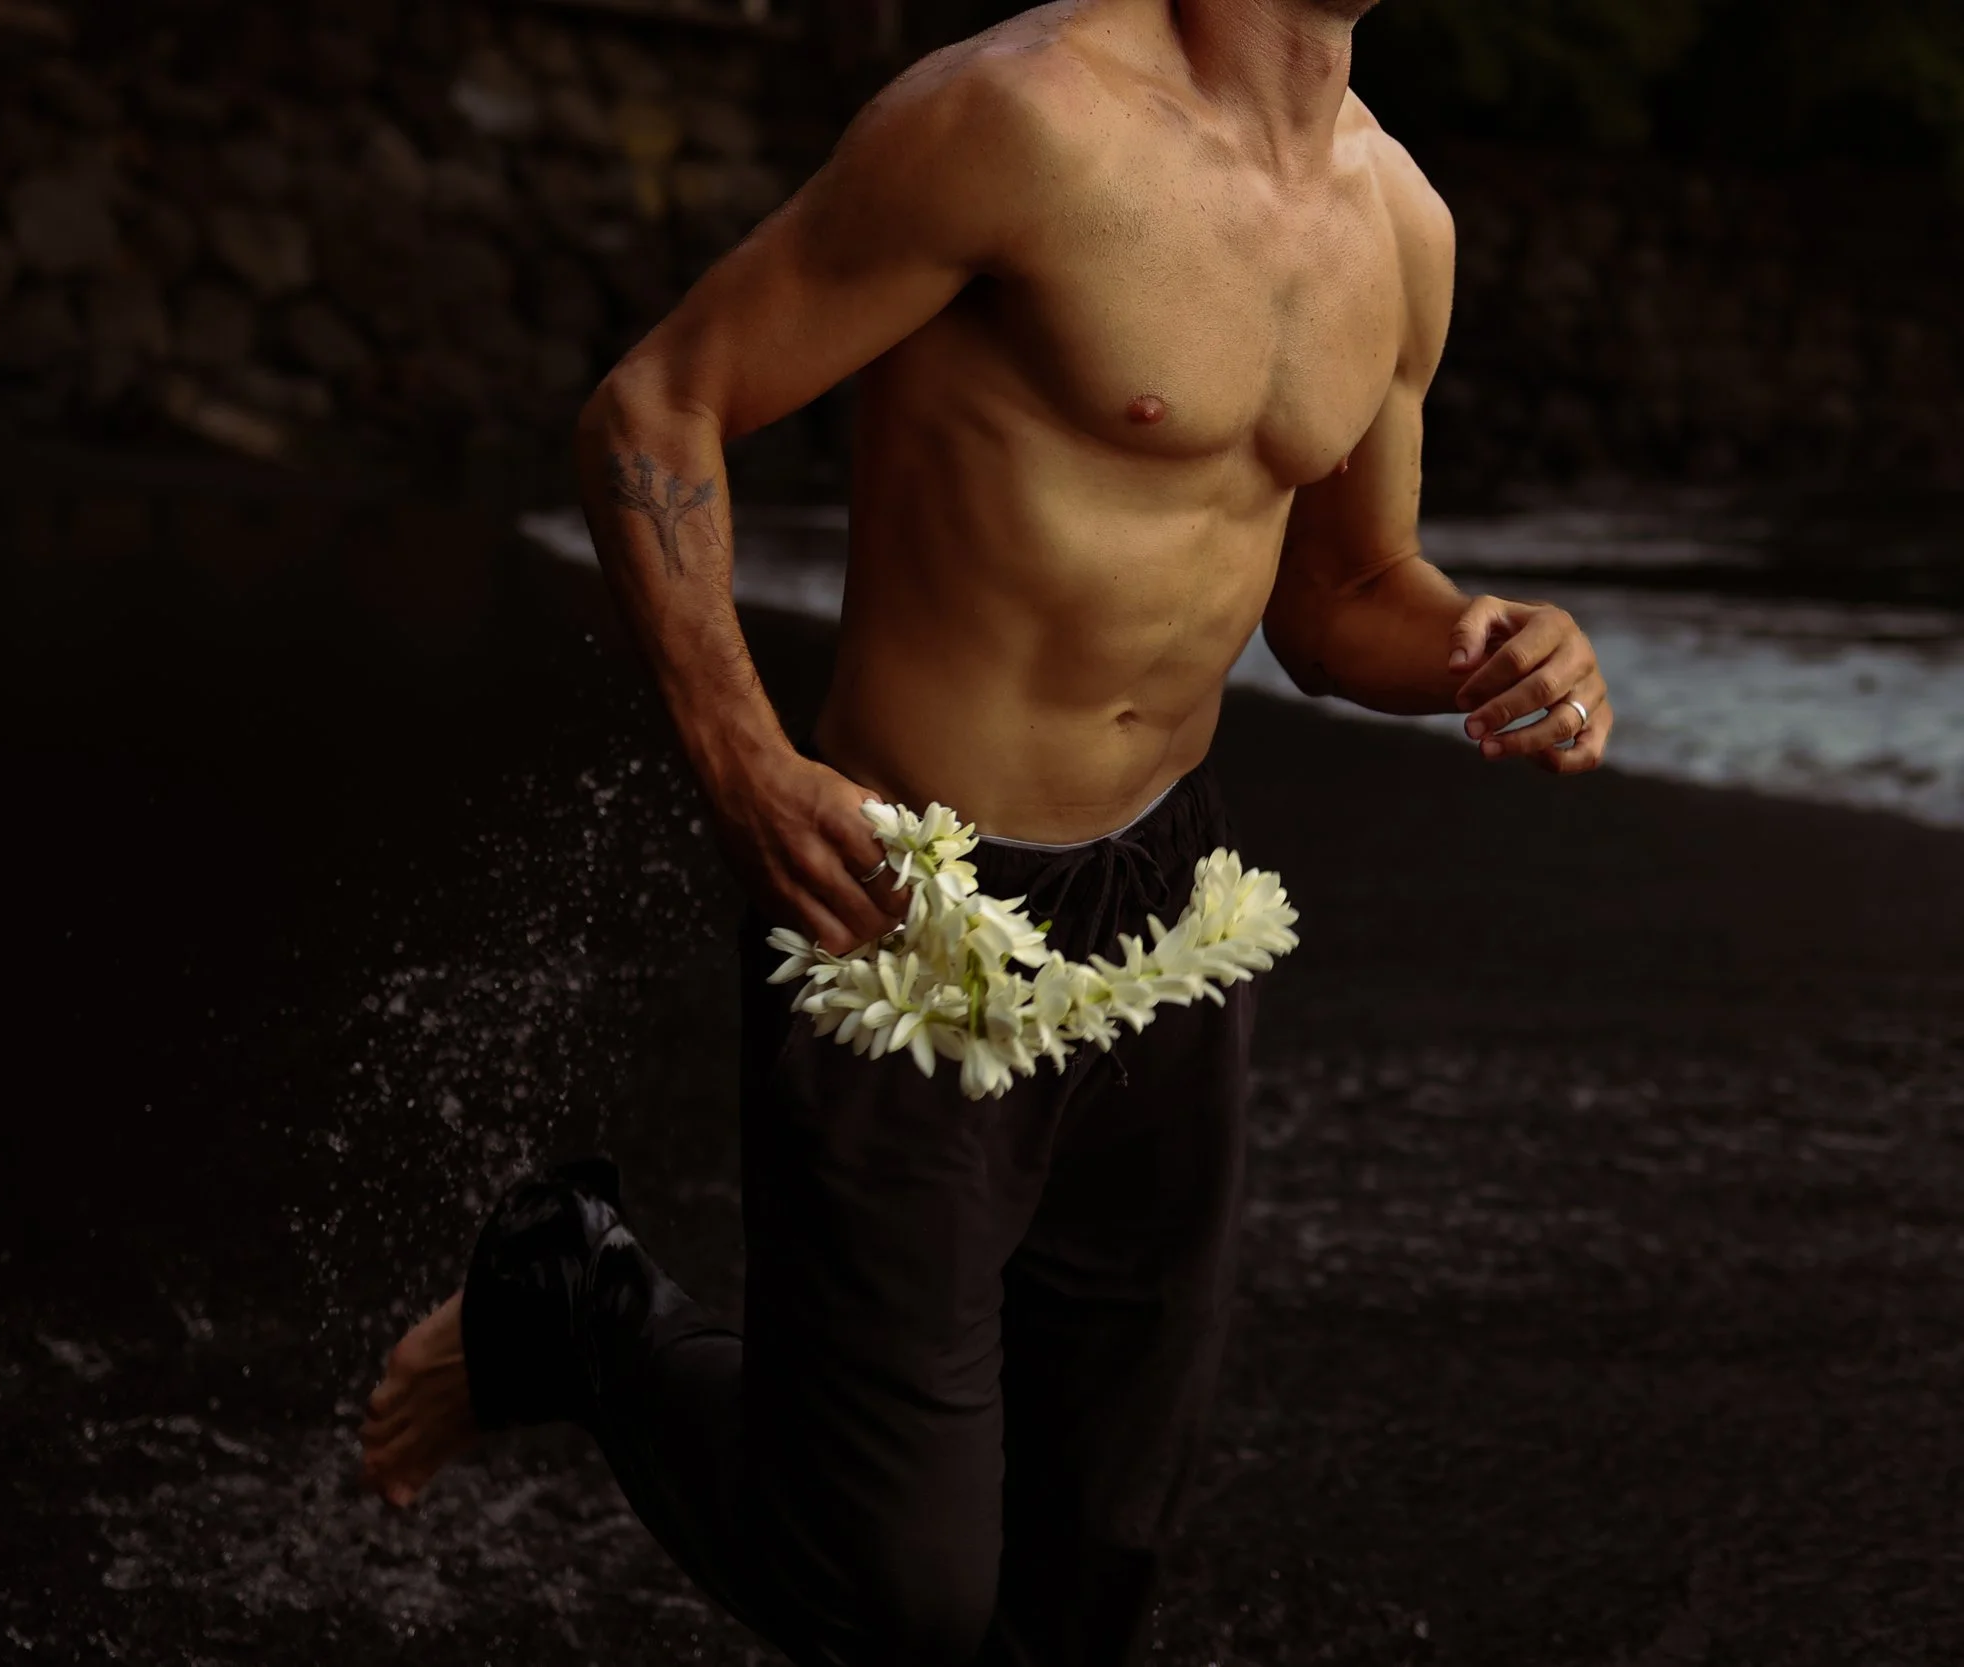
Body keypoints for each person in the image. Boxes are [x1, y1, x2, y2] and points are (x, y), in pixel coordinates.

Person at [359, 1, 1613, 1661]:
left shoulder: (1400, 221)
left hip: (1170, 917)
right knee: (898, 1595)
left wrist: (1491, 642)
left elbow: (1341, 596)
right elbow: (655, 410)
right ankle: (574, 1302)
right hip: (909, 902)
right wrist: (741, 758)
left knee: (1092, 1562)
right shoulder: (1024, 123)